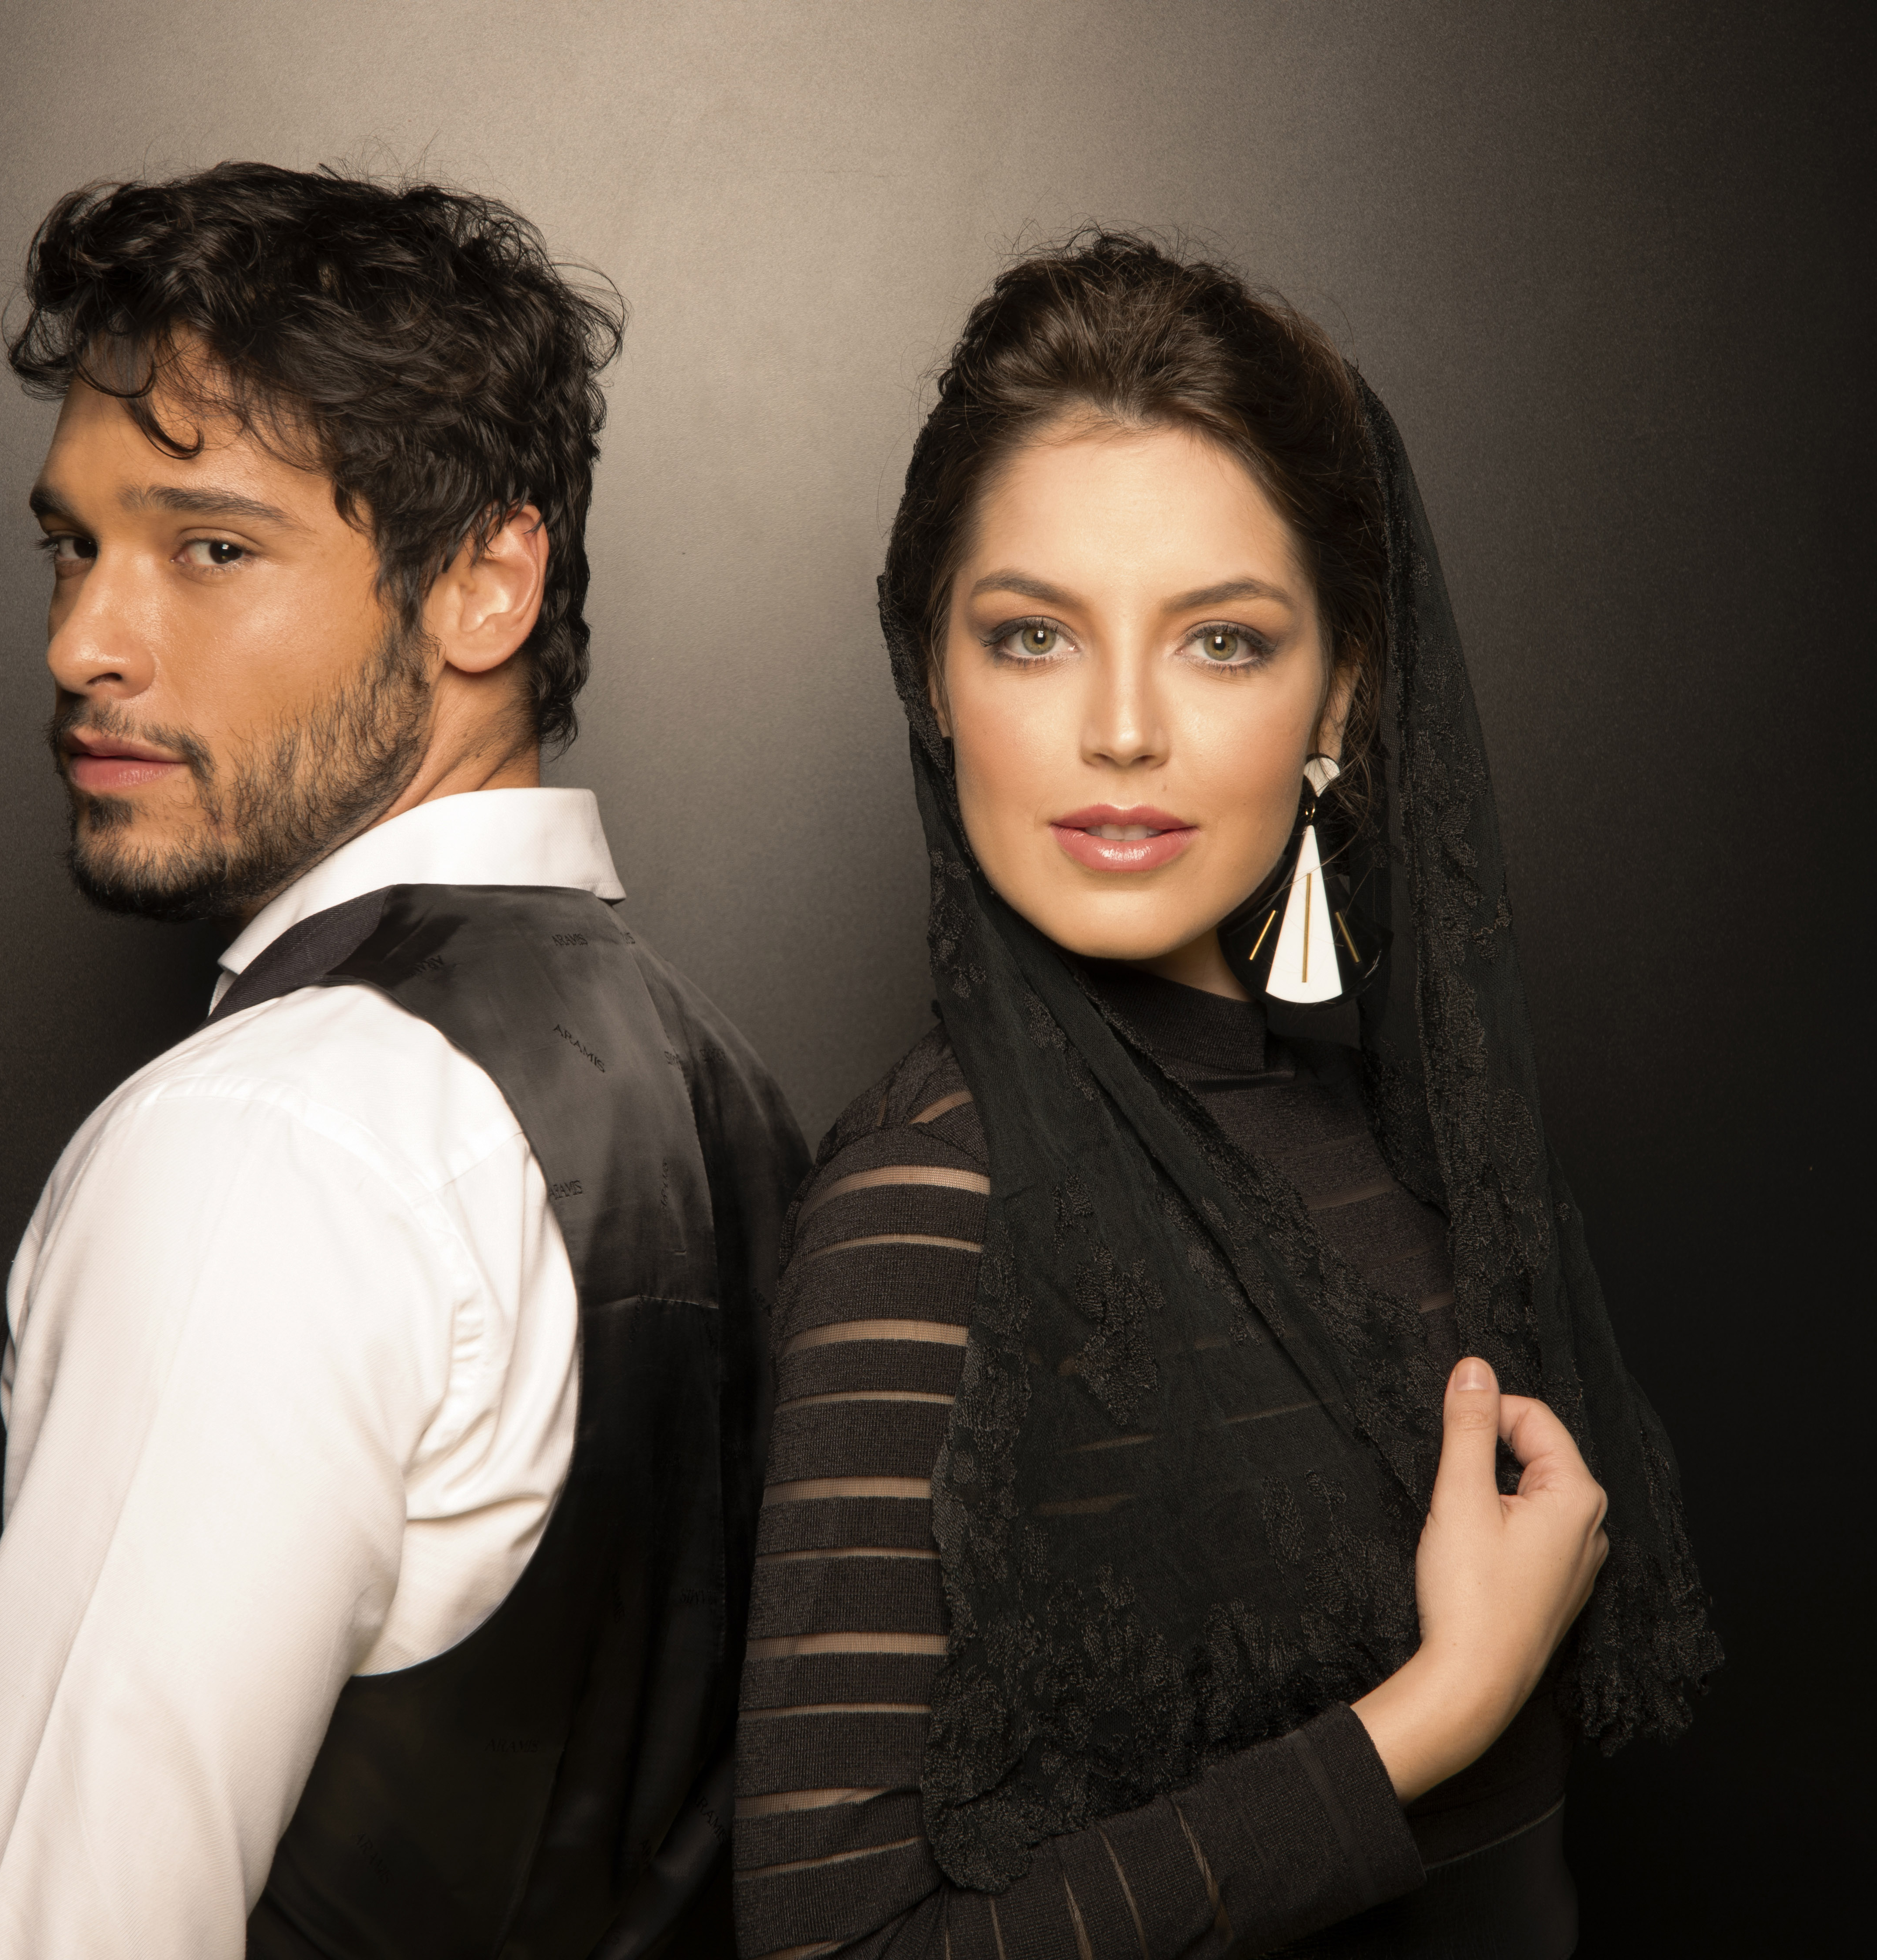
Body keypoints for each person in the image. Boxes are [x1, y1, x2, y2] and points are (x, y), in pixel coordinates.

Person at [733, 235, 1720, 1958]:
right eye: (1033, 635)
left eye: (1222, 641)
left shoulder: (1398, 1150)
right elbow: (836, 1943)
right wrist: (1434, 1713)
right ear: (935, 680)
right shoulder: (933, 1200)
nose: (1122, 728)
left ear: (1340, 691)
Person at [0, 164, 807, 1960]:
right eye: (73, 545)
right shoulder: (727, 1089)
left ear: (484, 584)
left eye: (208, 548)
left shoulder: (270, 1138)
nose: (83, 643)